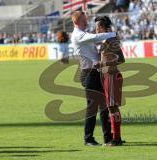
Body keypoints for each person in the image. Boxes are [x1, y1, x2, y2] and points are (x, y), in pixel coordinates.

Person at [70, 11, 117, 146]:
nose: (86, 23)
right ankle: (88, 138)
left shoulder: (82, 34)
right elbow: (97, 37)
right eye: (84, 21)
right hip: (89, 73)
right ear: (76, 22)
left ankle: (108, 138)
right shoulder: (78, 35)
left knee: (103, 107)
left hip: (94, 72)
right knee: (92, 107)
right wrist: (113, 34)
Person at [94, 16, 125, 146]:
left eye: (97, 28)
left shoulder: (111, 40)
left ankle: (116, 139)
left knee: (112, 108)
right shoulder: (106, 40)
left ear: (103, 28)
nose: (96, 30)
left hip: (112, 76)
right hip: (107, 76)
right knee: (112, 108)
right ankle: (116, 137)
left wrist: (102, 63)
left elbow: (121, 59)